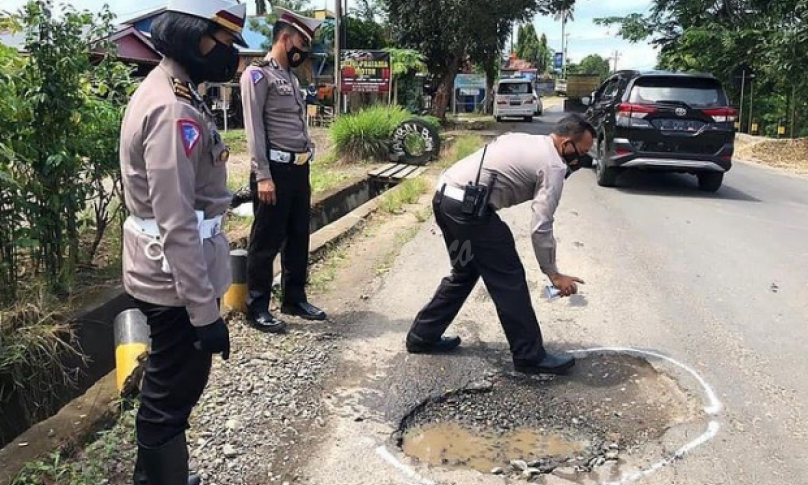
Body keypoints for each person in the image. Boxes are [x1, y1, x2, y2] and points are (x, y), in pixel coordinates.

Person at [119, 1, 247, 483]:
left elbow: (185, 189)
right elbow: (174, 221)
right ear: (189, 36)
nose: (230, 54)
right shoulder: (173, 108)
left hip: (172, 270)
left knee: (172, 386)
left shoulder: (176, 92)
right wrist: (205, 314)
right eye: (223, 41)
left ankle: (160, 476)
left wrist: (226, 196)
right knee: (173, 390)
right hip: (173, 279)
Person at [406, 114, 595, 375]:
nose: (582, 159)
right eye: (582, 152)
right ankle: (529, 355)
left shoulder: (525, 140)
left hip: (445, 200)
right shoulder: (554, 166)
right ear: (566, 144)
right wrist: (553, 273)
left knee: (466, 271)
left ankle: (422, 336)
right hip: (468, 211)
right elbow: (541, 226)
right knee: (509, 276)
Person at [240, 8, 326, 332]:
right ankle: (257, 307)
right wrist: (262, 175)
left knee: (298, 236)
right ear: (285, 37)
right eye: (301, 42)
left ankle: (294, 298)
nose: (302, 50)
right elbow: (254, 130)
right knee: (265, 241)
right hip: (273, 170)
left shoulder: (290, 77)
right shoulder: (256, 75)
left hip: (298, 169)